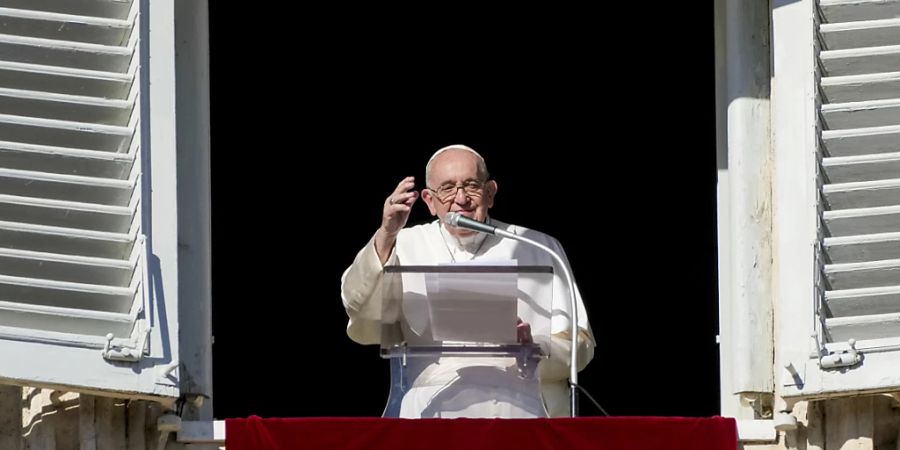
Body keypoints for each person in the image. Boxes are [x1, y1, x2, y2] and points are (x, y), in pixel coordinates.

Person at [340, 144, 594, 418]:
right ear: (428, 199)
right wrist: (386, 233)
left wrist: (533, 348)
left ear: (490, 193)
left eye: (471, 185)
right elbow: (360, 310)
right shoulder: (401, 244)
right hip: (432, 409)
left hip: (520, 409)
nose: (461, 199)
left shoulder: (538, 246)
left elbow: (579, 348)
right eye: (447, 188)